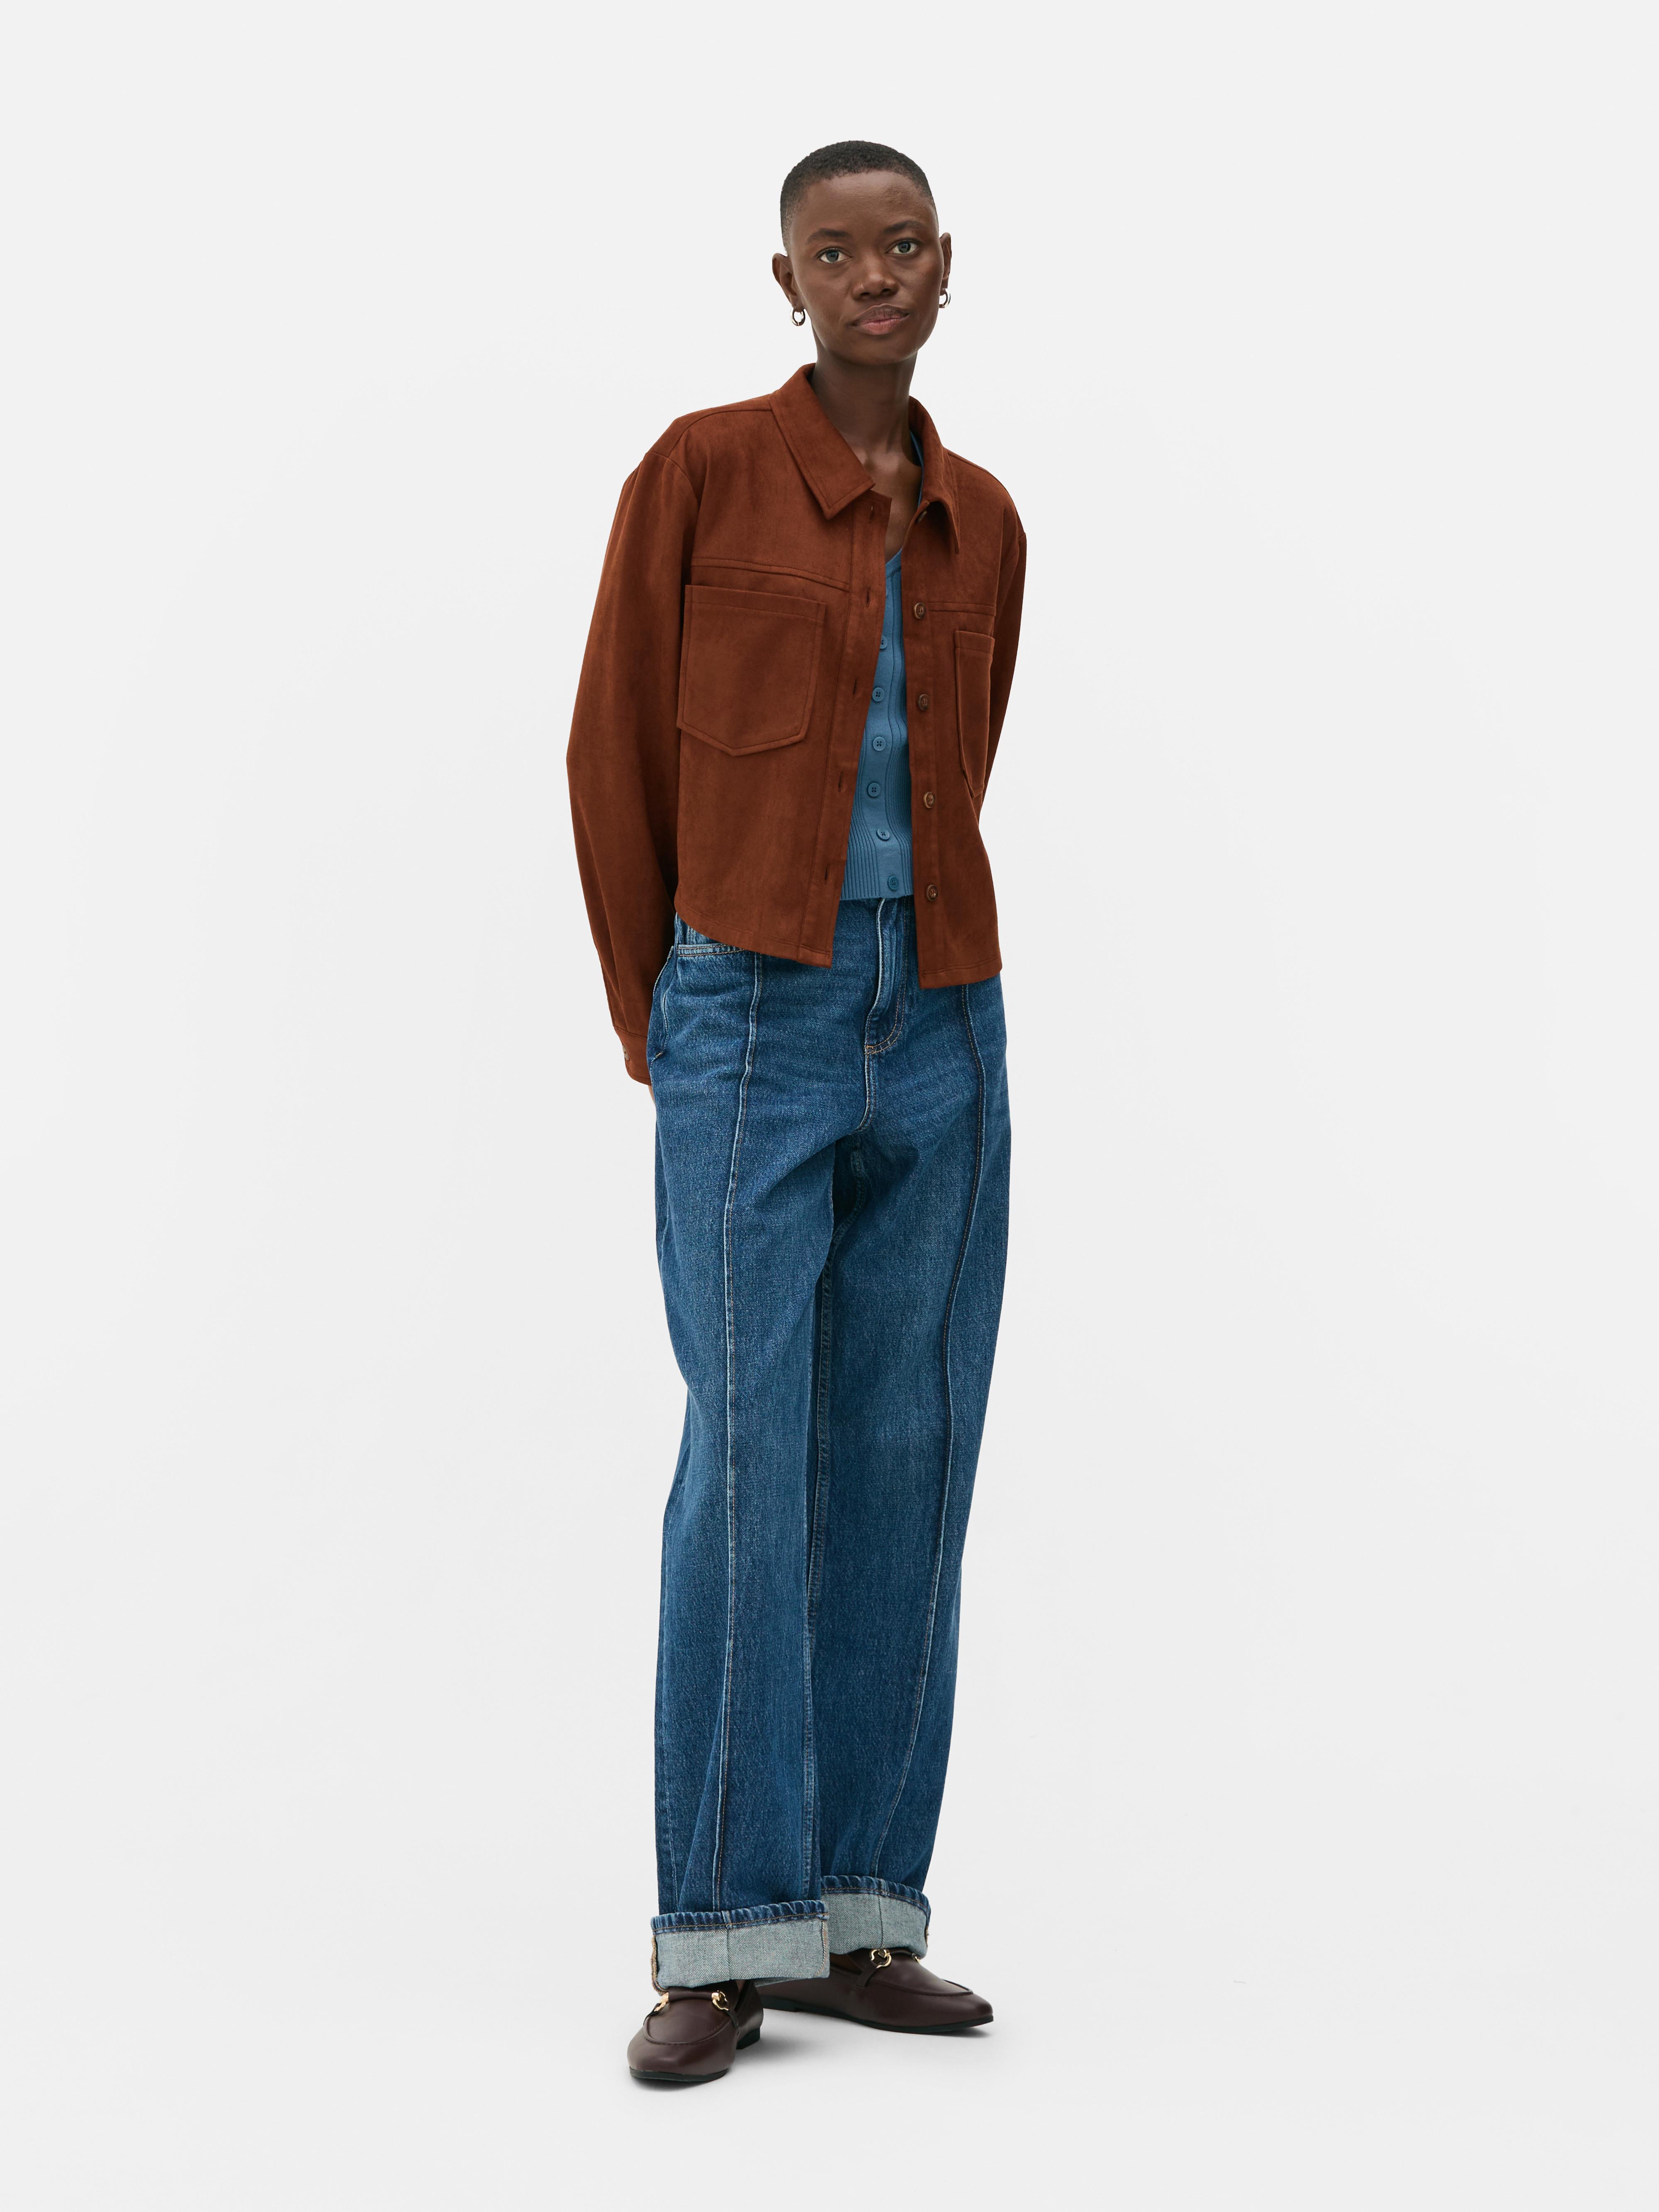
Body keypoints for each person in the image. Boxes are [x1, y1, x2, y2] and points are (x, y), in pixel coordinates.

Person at [566, 139, 1026, 2085]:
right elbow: (607, 744)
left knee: (909, 1446)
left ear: (946, 266)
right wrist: (662, 1009)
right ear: (786, 281)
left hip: (944, 1014)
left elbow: (964, 766)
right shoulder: (697, 473)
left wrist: (926, 983)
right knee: (750, 1450)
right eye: (834, 252)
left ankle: (853, 1915)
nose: (871, 276)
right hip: (748, 1001)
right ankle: (719, 1932)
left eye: (900, 245)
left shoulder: (987, 520)